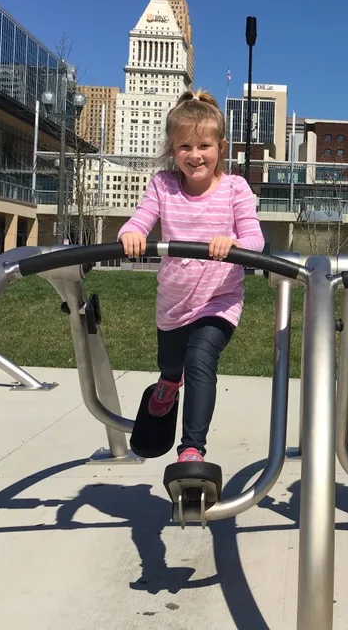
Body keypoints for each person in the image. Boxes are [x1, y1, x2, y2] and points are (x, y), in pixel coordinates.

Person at [118, 89, 264, 464]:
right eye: (184, 146)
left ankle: (192, 449)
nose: (195, 155)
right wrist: (131, 234)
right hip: (173, 302)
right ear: (172, 148)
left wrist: (232, 241)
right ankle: (168, 384)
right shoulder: (163, 186)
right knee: (170, 364)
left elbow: (254, 238)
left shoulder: (235, 189)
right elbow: (140, 220)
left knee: (200, 360)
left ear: (221, 147)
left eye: (204, 145)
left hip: (219, 300)